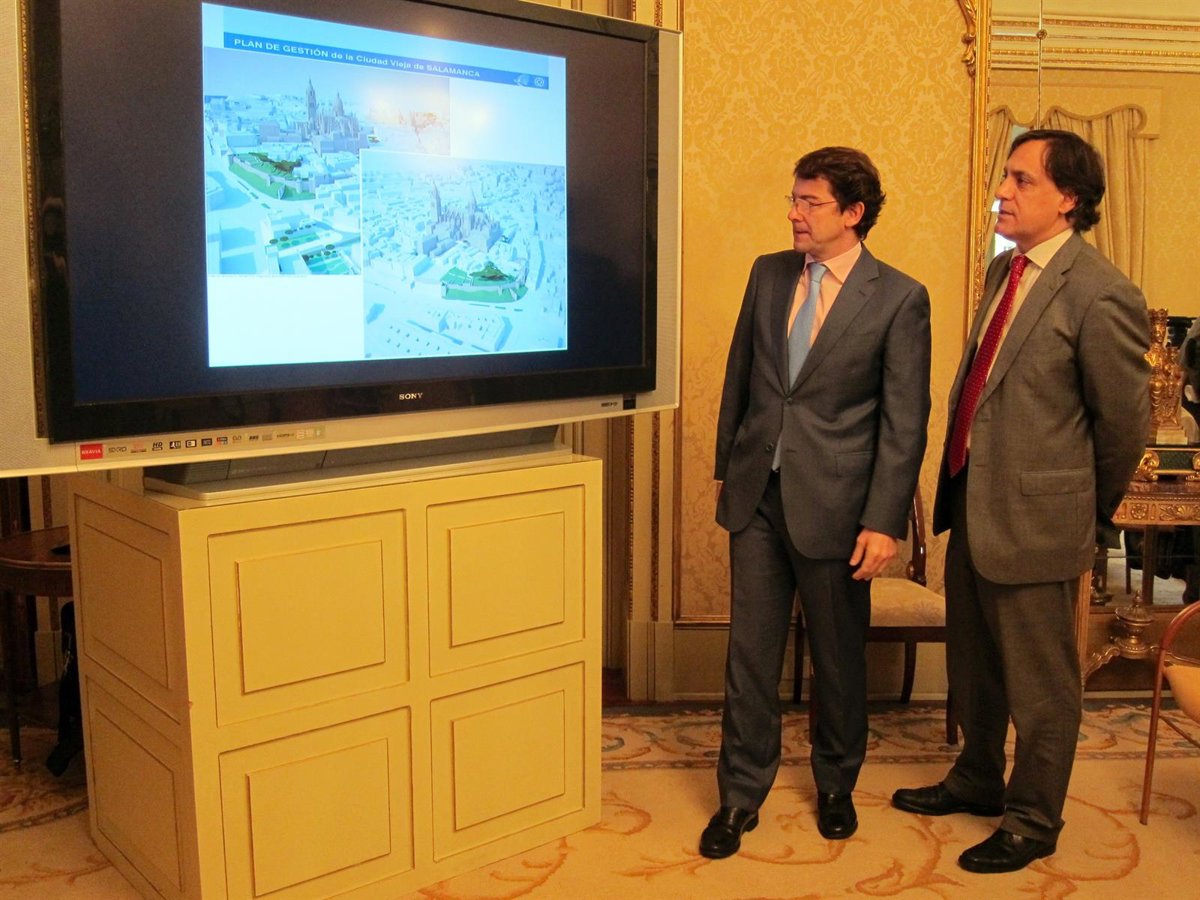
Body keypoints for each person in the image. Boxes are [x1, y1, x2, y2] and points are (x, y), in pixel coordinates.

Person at [892, 129, 1150, 874]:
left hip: (1041, 520)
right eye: (1004, 177)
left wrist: (1083, 512)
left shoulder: (1102, 291)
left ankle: (1034, 817)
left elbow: (1123, 426)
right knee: (976, 665)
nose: (1001, 193)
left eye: (1021, 180)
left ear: (1068, 198)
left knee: (1042, 686)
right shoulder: (1004, 270)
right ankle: (977, 776)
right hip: (975, 503)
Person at [702, 146, 931, 858]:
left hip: (838, 506)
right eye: (793, 200)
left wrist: (883, 521)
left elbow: (904, 421)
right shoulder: (768, 273)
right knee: (749, 655)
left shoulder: (899, 297)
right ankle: (740, 796)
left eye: (810, 202)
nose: (794, 214)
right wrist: (728, 468)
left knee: (837, 657)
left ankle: (835, 783)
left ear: (853, 213)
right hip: (758, 497)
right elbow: (742, 374)